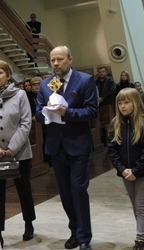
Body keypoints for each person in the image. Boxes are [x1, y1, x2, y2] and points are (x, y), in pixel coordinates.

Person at [35, 46, 98, 250]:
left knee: (78, 189)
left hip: (78, 144)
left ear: (70, 59)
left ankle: (84, 238)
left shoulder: (85, 80)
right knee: (65, 192)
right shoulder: (46, 84)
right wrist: (46, 112)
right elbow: (37, 112)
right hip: (56, 145)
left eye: (60, 59)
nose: (55, 63)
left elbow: (91, 111)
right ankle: (74, 230)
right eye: (52, 60)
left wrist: (66, 112)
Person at [0, 60, 36, 248]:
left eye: (0, 73)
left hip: (19, 152)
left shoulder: (20, 95)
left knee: (23, 189)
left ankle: (28, 223)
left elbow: (26, 122)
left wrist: (13, 148)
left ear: (8, 75)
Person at [107, 88, 144, 250]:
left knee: (141, 205)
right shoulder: (115, 124)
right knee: (135, 205)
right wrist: (123, 170)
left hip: (142, 173)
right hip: (125, 173)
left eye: (127, 102)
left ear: (135, 103)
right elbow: (112, 150)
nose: (123, 106)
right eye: (120, 103)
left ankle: (141, 239)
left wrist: (136, 170)